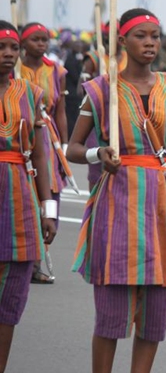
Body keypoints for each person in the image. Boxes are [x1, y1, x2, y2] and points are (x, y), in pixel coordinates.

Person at [67, 9, 166, 373]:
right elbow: (73, 149)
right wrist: (100, 153)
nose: (150, 43)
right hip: (118, 203)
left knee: (156, 311)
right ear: (123, 41)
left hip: (165, 205)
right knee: (112, 309)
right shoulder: (101, 90)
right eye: (141, 35)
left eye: (155, 36)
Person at [0, 21, 57, 371]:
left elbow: (39, 154)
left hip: (19, 195)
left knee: (10, 298)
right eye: (1, 48)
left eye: (12, 49)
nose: (8, 54)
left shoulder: (31, 93)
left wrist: (48, 207)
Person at [20, 22, 67, 285]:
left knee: (49, 191)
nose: (41, 44)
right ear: (23, 43)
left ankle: (36, 261)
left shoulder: (57, 70)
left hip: (48, 138)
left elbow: (59, 109)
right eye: (36, 40)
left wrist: (65, 144)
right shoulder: (15, 68)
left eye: (45, 40)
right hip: (19, 133)